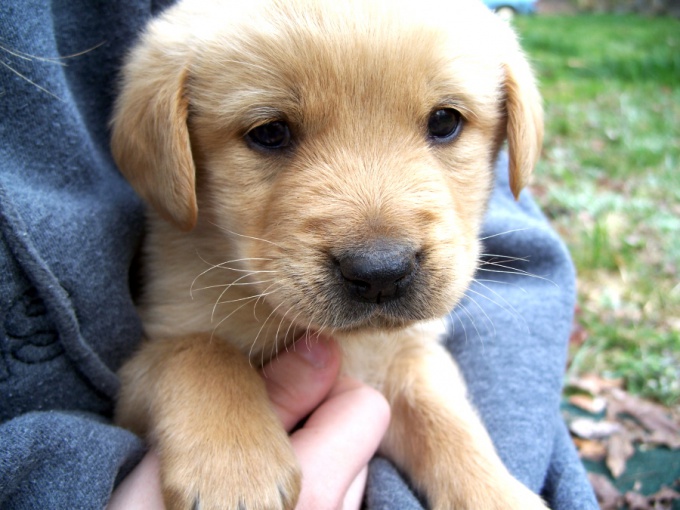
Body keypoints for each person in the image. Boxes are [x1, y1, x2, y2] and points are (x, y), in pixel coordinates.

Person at [0, 1, 598, 509]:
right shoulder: (194, 253)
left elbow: (404, 367)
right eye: (271, 133)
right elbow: (147, 371)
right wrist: (199, 374)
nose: (378, 253)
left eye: (444, 123)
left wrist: (483, 484)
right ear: (169, 143)